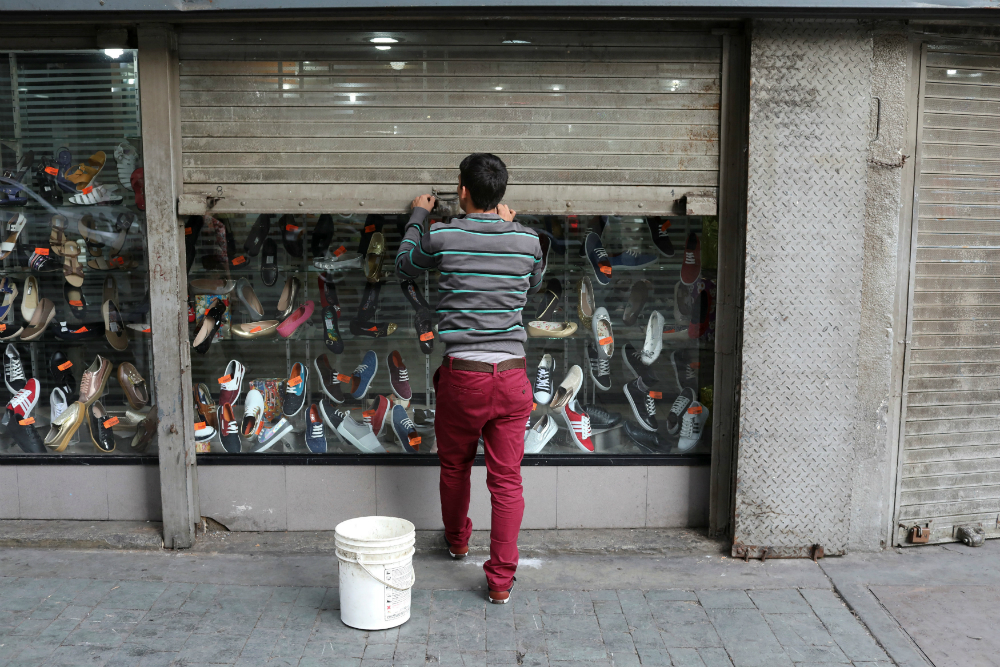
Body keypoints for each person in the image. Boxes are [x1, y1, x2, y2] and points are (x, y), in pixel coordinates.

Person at [395, 153, 543, 604]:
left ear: (462, 190)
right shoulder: (529, 241)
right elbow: (532, 286)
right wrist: (512, 227)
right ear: (502, 195)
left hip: (464, 376)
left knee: (455, 466)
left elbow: (404, 265)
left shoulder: (443, 234)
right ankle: (500, 582)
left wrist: (420, 212)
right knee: (507, 481)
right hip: (514, 376)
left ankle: (458, 541)